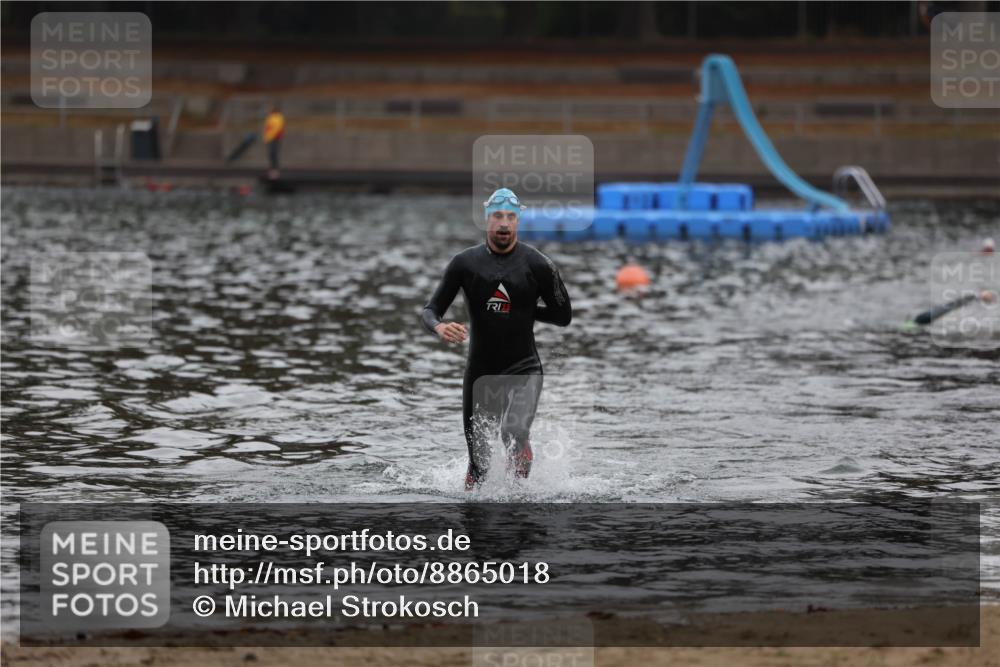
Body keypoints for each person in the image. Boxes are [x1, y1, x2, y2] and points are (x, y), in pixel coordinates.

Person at [421, 188, 572, 490]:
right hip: (480, 373)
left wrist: (524, 310)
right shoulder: (464, 264)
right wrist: (439, 327)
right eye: (498, 216)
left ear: (518, 221)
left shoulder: (539, 265)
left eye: (511, 217)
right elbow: (431, 310)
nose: (504, 224)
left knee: (513, 432)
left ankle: (519, 499)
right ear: (487, 219)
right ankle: (474, 518)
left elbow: (563, 317)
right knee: (478, 463)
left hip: (524, 369)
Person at [262, 103, 285, 180]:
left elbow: (278, 128)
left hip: (275, 138)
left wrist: (272, 136)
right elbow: (267, 127)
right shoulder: (270, 117)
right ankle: (272, 170)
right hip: (270, 138)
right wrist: (266, 137)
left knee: (274, 153)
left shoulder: (279, 117)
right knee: (271, 154)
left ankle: (275, 171)